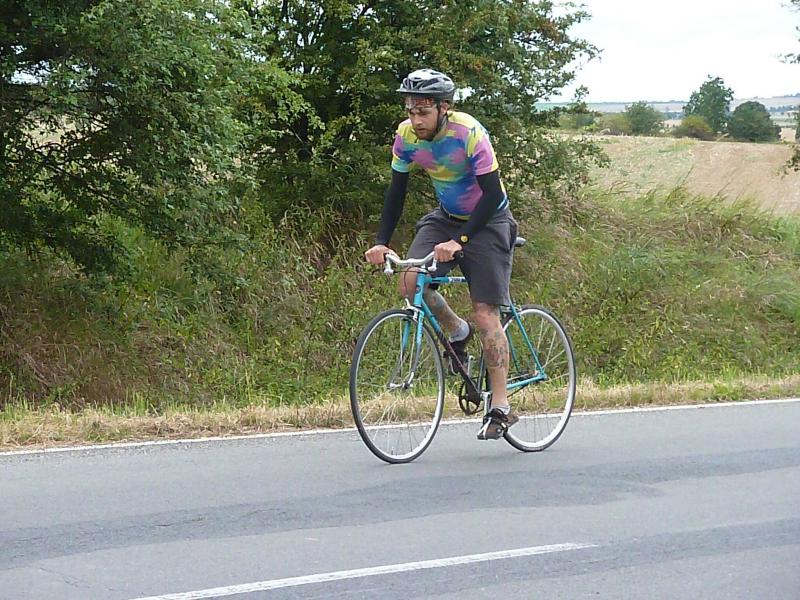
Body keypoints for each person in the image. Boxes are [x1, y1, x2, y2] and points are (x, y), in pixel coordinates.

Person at [364, 68, 519, 440]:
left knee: (485, 313)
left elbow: (492, 195)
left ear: (443, 108)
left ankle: (500, 406)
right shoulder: (405, 136)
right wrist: (382, 240)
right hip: (446, 217)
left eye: (423, 111)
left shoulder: (469, 133)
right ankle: (457, 331)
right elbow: (396, 191)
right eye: (411, 111)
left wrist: (461, 241)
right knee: (410, 281)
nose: (415, 119)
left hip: (489, 220)